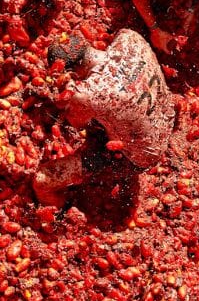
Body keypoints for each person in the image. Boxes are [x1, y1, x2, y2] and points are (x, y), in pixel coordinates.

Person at [32, 30, 174, 207]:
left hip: (139, 158)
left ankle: (60, 211)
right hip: (166, 118)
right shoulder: (130, 37)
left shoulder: (88, 94)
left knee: (41, 181)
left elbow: (76, 124)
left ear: (71, 73)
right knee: (105, 115)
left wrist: (65, 89)